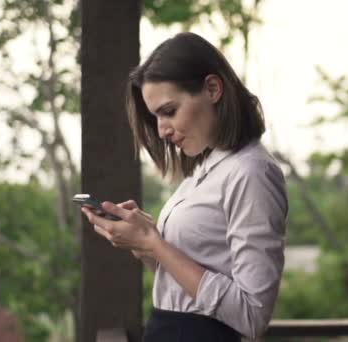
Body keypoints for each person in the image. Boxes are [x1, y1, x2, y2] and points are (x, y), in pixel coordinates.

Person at [81, 32, 288, 341]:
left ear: (213, 89)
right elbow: (182, 287)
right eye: (155, 117)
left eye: (169, 111)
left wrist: (155, 243)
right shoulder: (205, 169)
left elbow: (251, 315)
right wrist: (142, 241)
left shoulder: (251, 172)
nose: (162, 130)